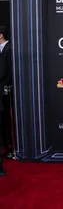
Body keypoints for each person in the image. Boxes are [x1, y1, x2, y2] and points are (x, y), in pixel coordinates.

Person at [0, 26, 12, 177]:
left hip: (6, 90)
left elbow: (7, 72)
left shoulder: (10, 49)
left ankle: (8, 147)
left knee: (6, 119)